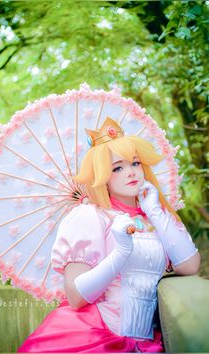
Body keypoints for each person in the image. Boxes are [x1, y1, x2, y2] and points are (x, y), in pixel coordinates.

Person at [18, 117, 200, 353]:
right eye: (117, 168)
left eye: (135, 164)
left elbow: (189, 266)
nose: (131, 172)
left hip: (146, 342)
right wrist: (121, 252)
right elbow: (76, 297)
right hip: (96, 335)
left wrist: (154, 210)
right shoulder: (89, 216)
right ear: (103, 175)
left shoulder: (156, 215)